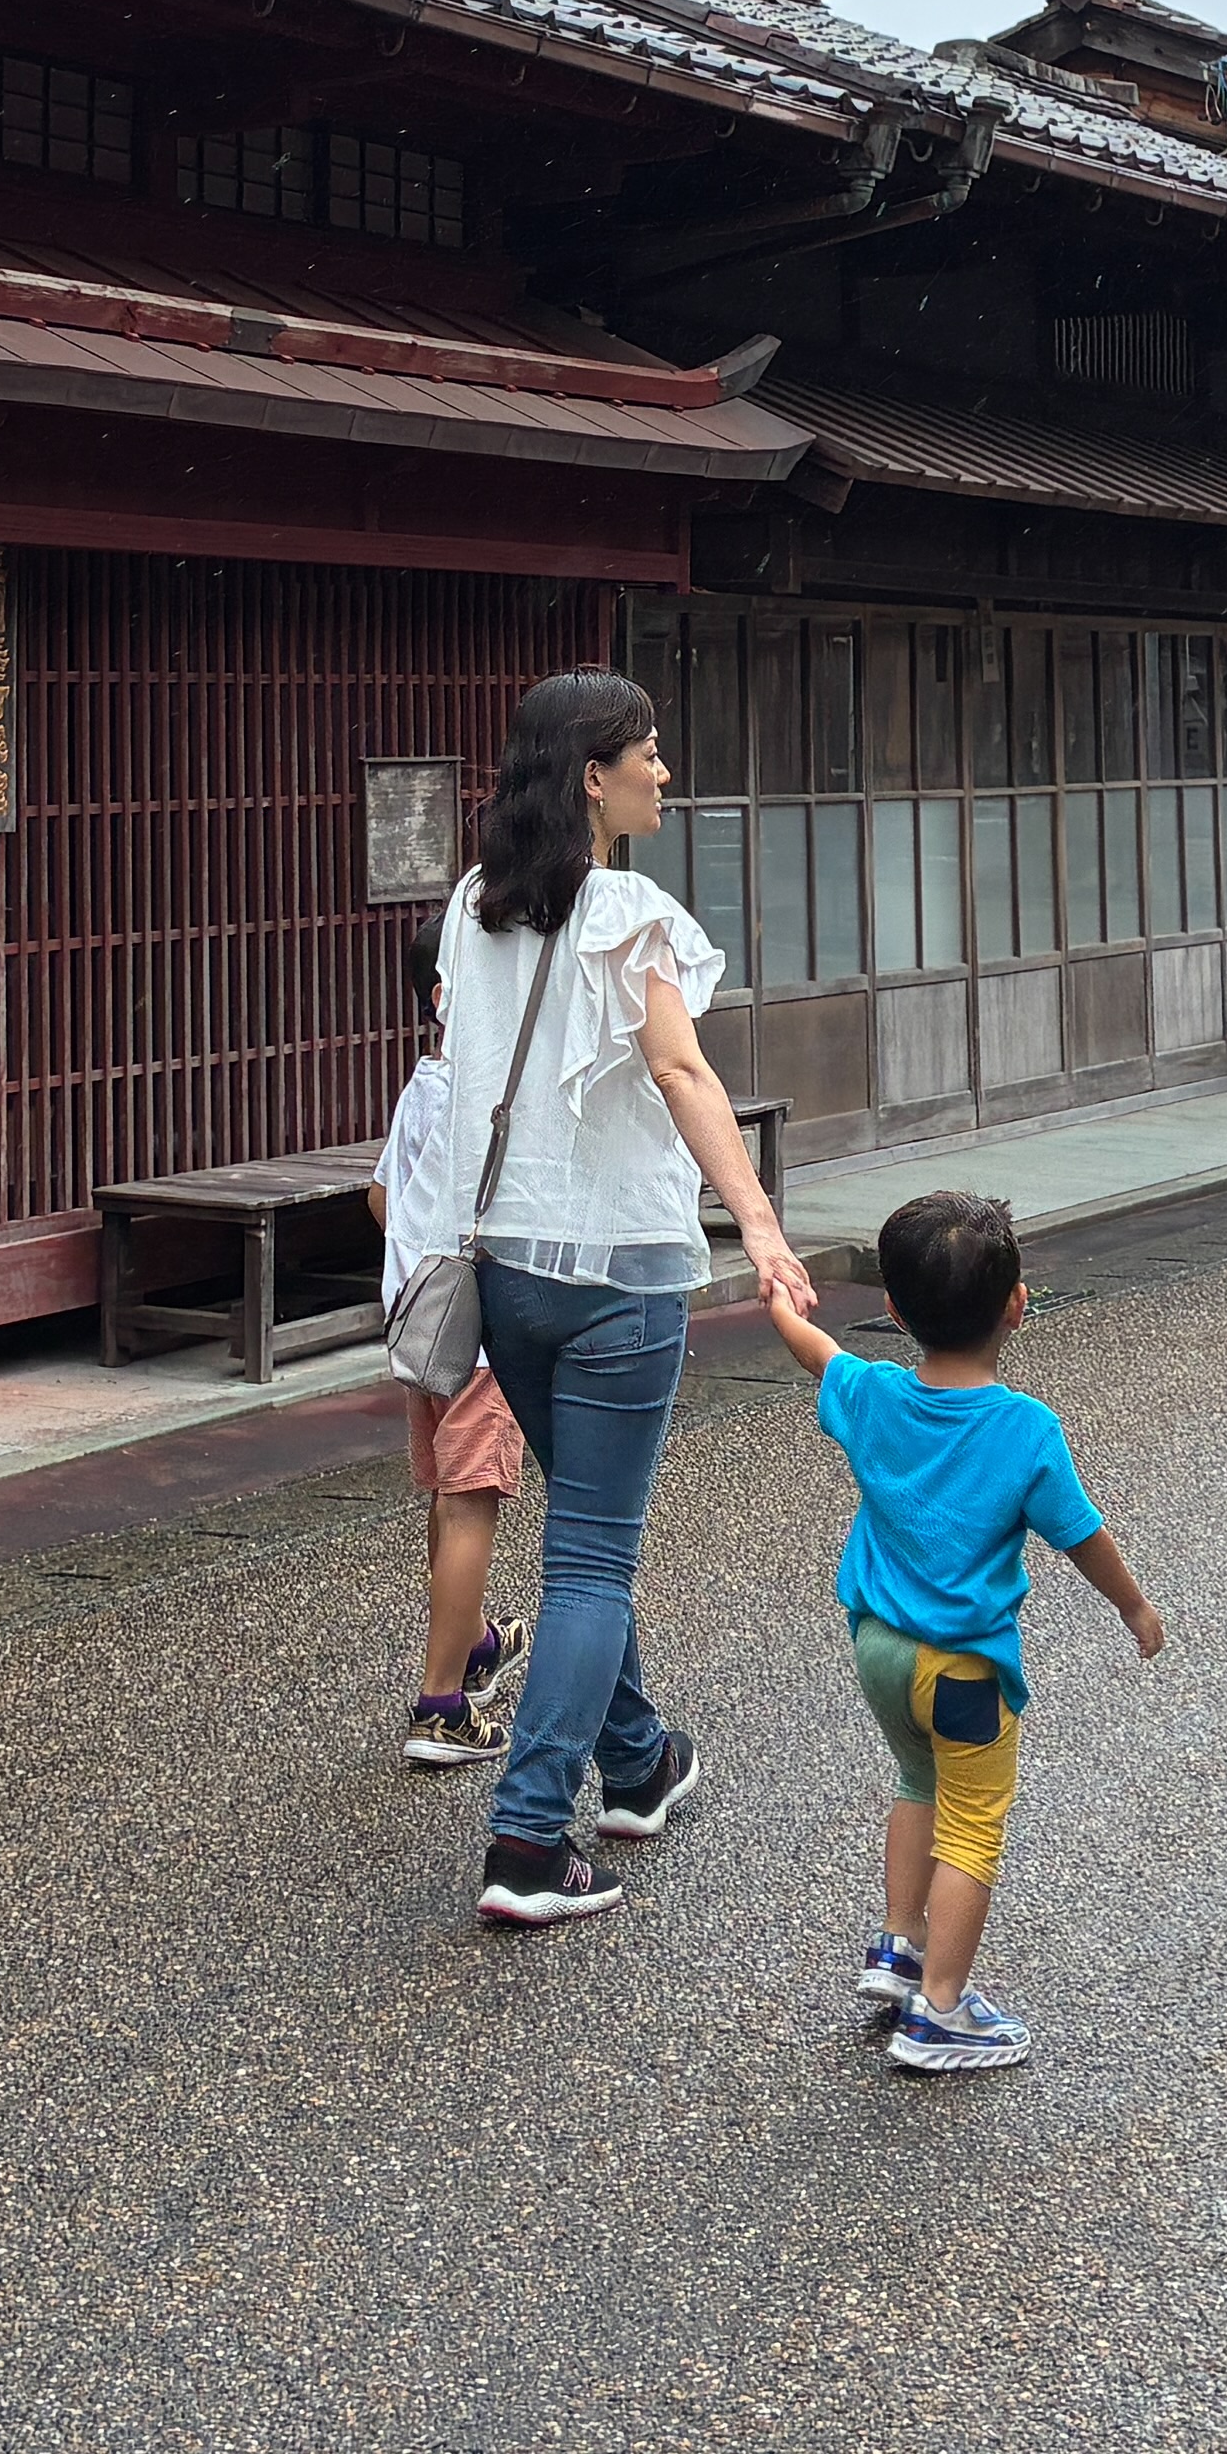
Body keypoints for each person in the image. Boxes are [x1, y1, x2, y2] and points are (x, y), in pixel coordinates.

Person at [441, 667, 797, 1930]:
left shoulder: (474, 907)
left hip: (504, 1270)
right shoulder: (631, 911)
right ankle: (531, 1838)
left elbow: (453, 1072)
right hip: (619, 1273)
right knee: (593, 1555)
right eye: (647, 751)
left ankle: (639, 1760)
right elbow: (685, 1071)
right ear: (594, 774)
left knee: (586, 1532)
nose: (664, 770)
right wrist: (761, 1226)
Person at [748, 1190, 1163, 2073]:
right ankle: (940, 2013)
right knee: (973, 1827)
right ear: (1017, 1304)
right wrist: (1132, 1606)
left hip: (878, 1652)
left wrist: (780, 1294)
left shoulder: (872, 1396)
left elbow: (816, 1352)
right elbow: (1080, 1533)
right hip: (965, 1670)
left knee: (914, 1781)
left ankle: (898, 1948)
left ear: (894, 1313)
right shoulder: (1024, 1429)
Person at [387, 915, 526, 1768]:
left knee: (446, 1492)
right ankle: (441, 1704)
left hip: (419, 1318)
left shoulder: (423, 1085)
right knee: (473, 1499)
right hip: (475, 1328)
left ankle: (472, 1640)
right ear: (447, 996)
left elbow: (381, 1195)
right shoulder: (481, 1094)